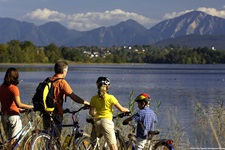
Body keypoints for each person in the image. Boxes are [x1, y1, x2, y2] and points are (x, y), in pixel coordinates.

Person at [42, 60, 89, 137]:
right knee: (56, 139)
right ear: (64, 71)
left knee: (48, 138)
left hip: (46, 112)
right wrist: (85, 102)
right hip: (56, 114)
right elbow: (73, 96)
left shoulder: (48, 80)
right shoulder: (62, 82)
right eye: (66, 71)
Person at [89, 76, 130, 150]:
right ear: (107, 87)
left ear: (97, 86)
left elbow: (91, 112)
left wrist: (96, 114)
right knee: (113, 146)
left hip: (97, 122)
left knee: (93, 143)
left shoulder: (93, 98)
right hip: (107, 122)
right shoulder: (110, 97)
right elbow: (121, 109)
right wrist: (127, 110)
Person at [0, 67, 34, 142]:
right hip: (13, 117)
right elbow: (19, 104)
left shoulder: (2, 87)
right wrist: (32, 107)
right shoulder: (14, 88)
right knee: (14, 141)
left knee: (8, 141)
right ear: (16, 77)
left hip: (4, 116)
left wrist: (18, 109)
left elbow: (6, 102)